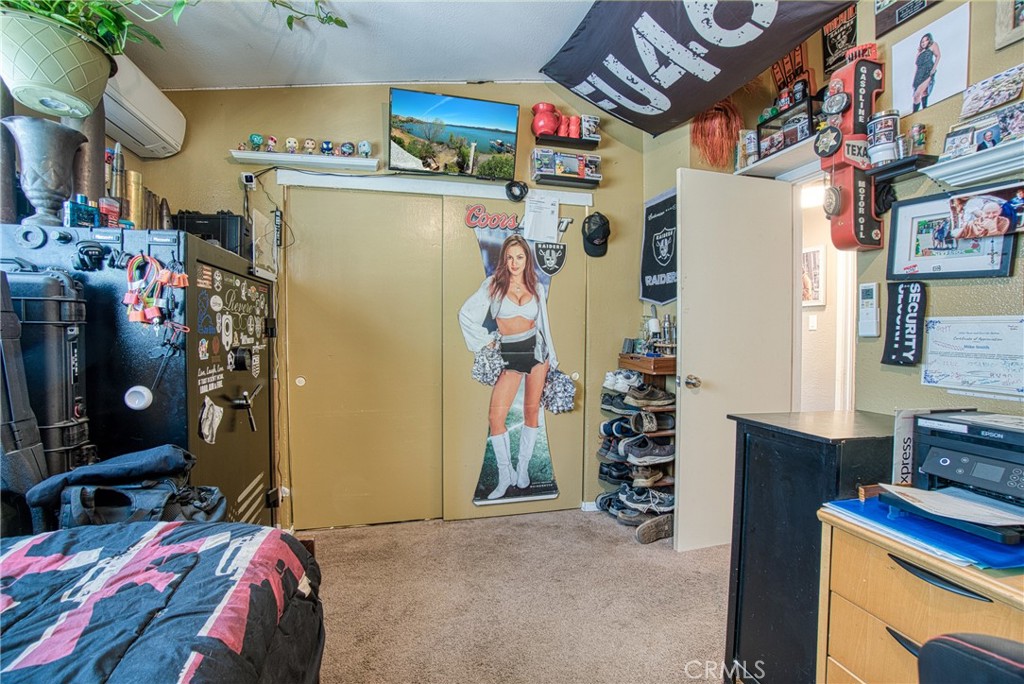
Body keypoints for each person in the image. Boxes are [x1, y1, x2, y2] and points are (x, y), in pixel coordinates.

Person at [459, 234, 557, 500]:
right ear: (504, 259)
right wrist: (488, 342)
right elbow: (466, 315)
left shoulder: (536, 287)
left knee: (531, 411)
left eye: (520, 257)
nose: (515, 262)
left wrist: (554, 360)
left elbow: (544, 325)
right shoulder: (493, 284)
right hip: (509, 353)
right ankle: (505, 475)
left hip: (537, 351)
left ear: (527, 259)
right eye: (510, 257)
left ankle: (522, 469)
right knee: (496, 417)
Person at [912, 33, 941, 112]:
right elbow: (917, 66)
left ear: (929, 40)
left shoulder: (933, 45)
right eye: (922, 41)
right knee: (922, 92)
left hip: (927, 71)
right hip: (919, 73)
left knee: (917, 94)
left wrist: (934, 69)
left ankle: (914, 112)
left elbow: (938, 56)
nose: (924, 42)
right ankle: (924, 109)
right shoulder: (919, 52)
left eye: (926, 40)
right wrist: (914, 80)